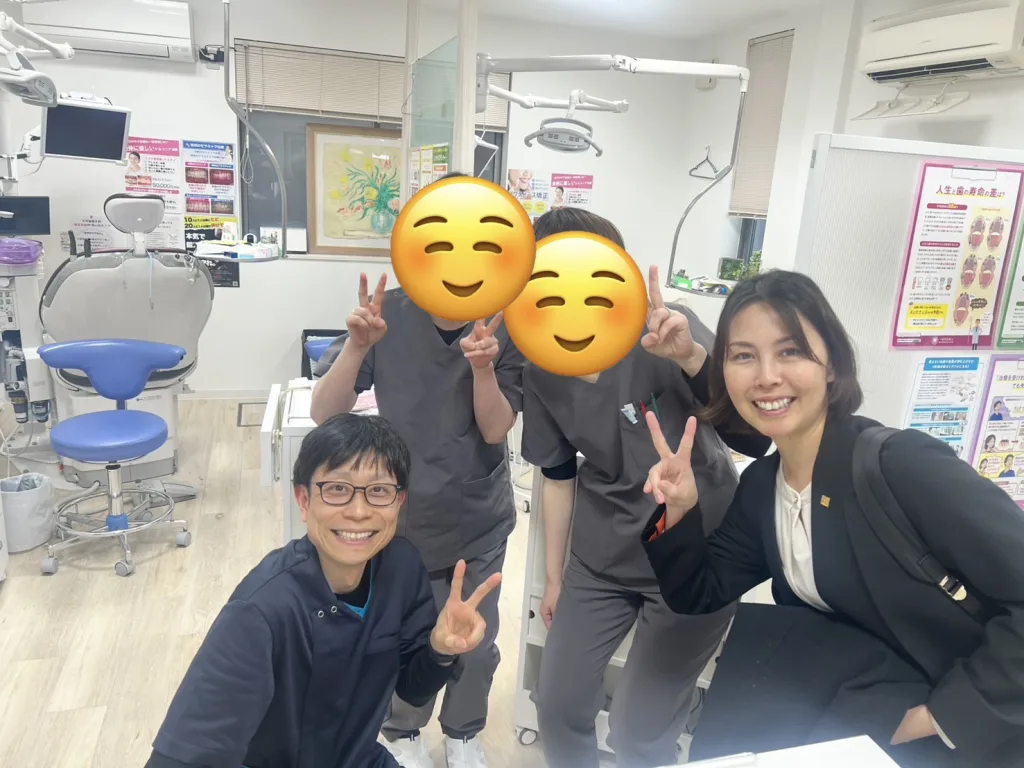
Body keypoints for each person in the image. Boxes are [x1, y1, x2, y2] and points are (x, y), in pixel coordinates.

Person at [640, 270, 1024, 767]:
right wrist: (680, 508)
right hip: (855, 720)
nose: (766, 376)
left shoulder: (900, 465)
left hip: (965, 736)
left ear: (832, 366)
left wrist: (940, 718)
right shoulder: (763, 487)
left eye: (790, 351)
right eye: (743, 356)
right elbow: (700, 592)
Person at [520, 207, 771, 768]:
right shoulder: (540, 366)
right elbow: (557, 474)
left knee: (639, 731)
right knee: (556, 704)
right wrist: (554, 578)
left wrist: (690, 357)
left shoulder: (667, 328)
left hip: (695, 550)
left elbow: (754, 437)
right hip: (603, 555)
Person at [310, 173, 525, 768]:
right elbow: (325, 412)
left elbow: (495, 429)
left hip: (476, 516)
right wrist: (357, 346)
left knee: (475, 640)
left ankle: (464, 731)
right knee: (404, 634)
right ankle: (402, 730)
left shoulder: (504, 321)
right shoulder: (389, 314)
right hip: (400, 516)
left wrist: (483, 369)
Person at [144, 414, 500, 768]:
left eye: (378, 491)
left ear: (399, 501)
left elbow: (412, 689)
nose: (358, 512)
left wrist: (439, 650)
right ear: (303, 500)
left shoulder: (400, 567)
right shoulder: (261, 611)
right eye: (337, 489)